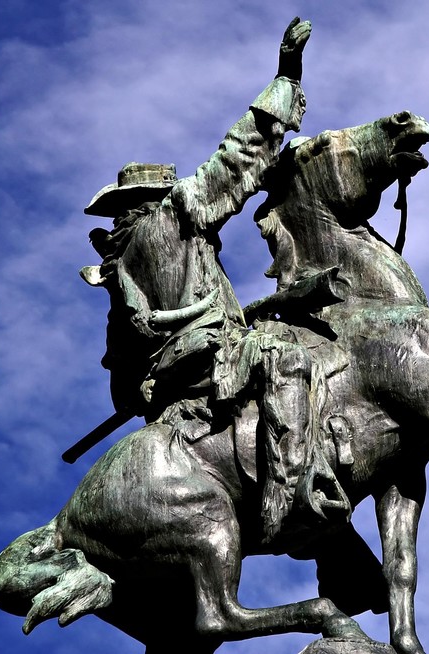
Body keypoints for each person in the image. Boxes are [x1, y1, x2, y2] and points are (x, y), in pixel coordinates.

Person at [79, 18, 347, 542]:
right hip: (208, 358)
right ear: (156, 197)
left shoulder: (118, 272)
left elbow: (121, 383)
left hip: (172, 390)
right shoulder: (171, 218)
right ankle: (293, 500)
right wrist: (286, 77)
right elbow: (235, 158)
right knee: (286, 358)